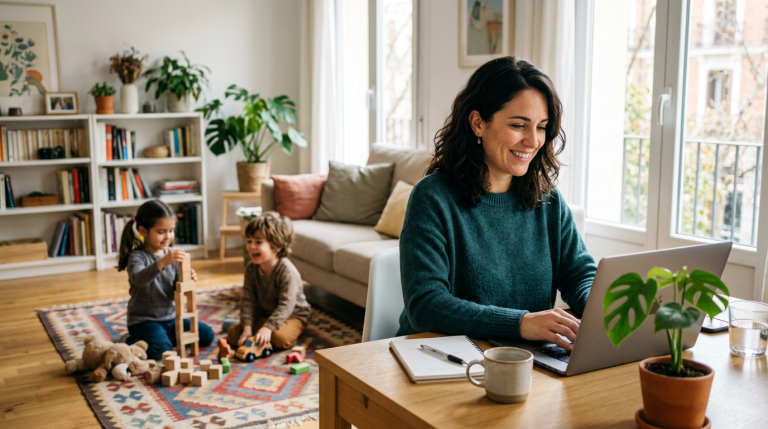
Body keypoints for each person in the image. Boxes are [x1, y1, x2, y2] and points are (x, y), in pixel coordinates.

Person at [396, 57, 596, 351]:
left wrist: (600, 308)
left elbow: (580, 273)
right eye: (518, 125)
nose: (532, 141)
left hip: (524, 356)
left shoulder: (547, 198)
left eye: (541, 127)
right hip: (441, 356)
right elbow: (426, 305)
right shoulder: (433, 197)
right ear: (478, 123)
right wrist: (520, 323)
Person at [117, 199, 214, 360]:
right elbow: (139, 280)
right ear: (143, 231)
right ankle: (129, 341)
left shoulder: (172, 255)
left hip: (170, 319)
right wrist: (162, 262)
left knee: (206, 335)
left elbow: (175, 289)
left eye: (171, 231)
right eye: (161, 231)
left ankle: (162, 339)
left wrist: (186, 280)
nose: (168, 236)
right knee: (161, 352)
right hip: (144, 321)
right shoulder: (138, 257)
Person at [227, 212, 311, 350]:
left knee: (279, 339)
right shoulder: (250, 269)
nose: (251, 246)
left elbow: (286, 306)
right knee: (233, 334)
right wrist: (247, 327)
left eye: (258, 242)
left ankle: (287, 330)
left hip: (292, 315)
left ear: (277, 246)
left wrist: (268, 328)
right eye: (249, 241)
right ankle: (262, 330)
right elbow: (247, 300)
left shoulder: (287, 272)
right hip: (265, 313)